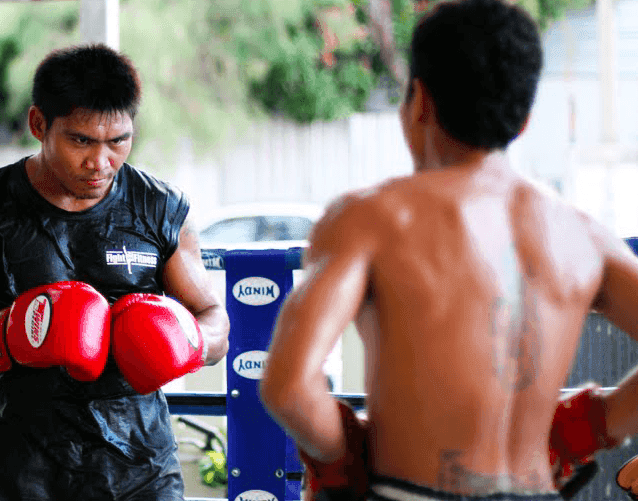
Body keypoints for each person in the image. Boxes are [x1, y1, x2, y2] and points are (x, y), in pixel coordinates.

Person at [258, 0, 638, 500]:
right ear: (523, 120)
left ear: (419, 101)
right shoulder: (585, 237)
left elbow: (288, 386)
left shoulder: (370, 219)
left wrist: (343, 459)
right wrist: (590, 427)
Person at [0, 44, 230, 501]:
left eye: (118, 141)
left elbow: (215, 322)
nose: (100, 163)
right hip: (20, 468)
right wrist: (5, 336)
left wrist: (186, 339)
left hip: (139, 469)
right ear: (39, 125)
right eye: (81, 140)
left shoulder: (162, 210)